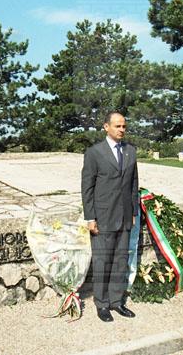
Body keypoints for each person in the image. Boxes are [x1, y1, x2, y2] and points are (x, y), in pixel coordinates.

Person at [81, 111, 138, 322]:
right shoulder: (94, 153)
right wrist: (90, 217)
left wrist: (133, 212)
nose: (122, 130)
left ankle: (117, 302)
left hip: (124, 217)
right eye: (117, 126)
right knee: (103, 261)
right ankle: (102, 304)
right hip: (103, 217)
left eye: (124, 126)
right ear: (106, 127)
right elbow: (87, 187)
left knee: (120, 261)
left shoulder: (130, 151)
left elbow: (133, 184)